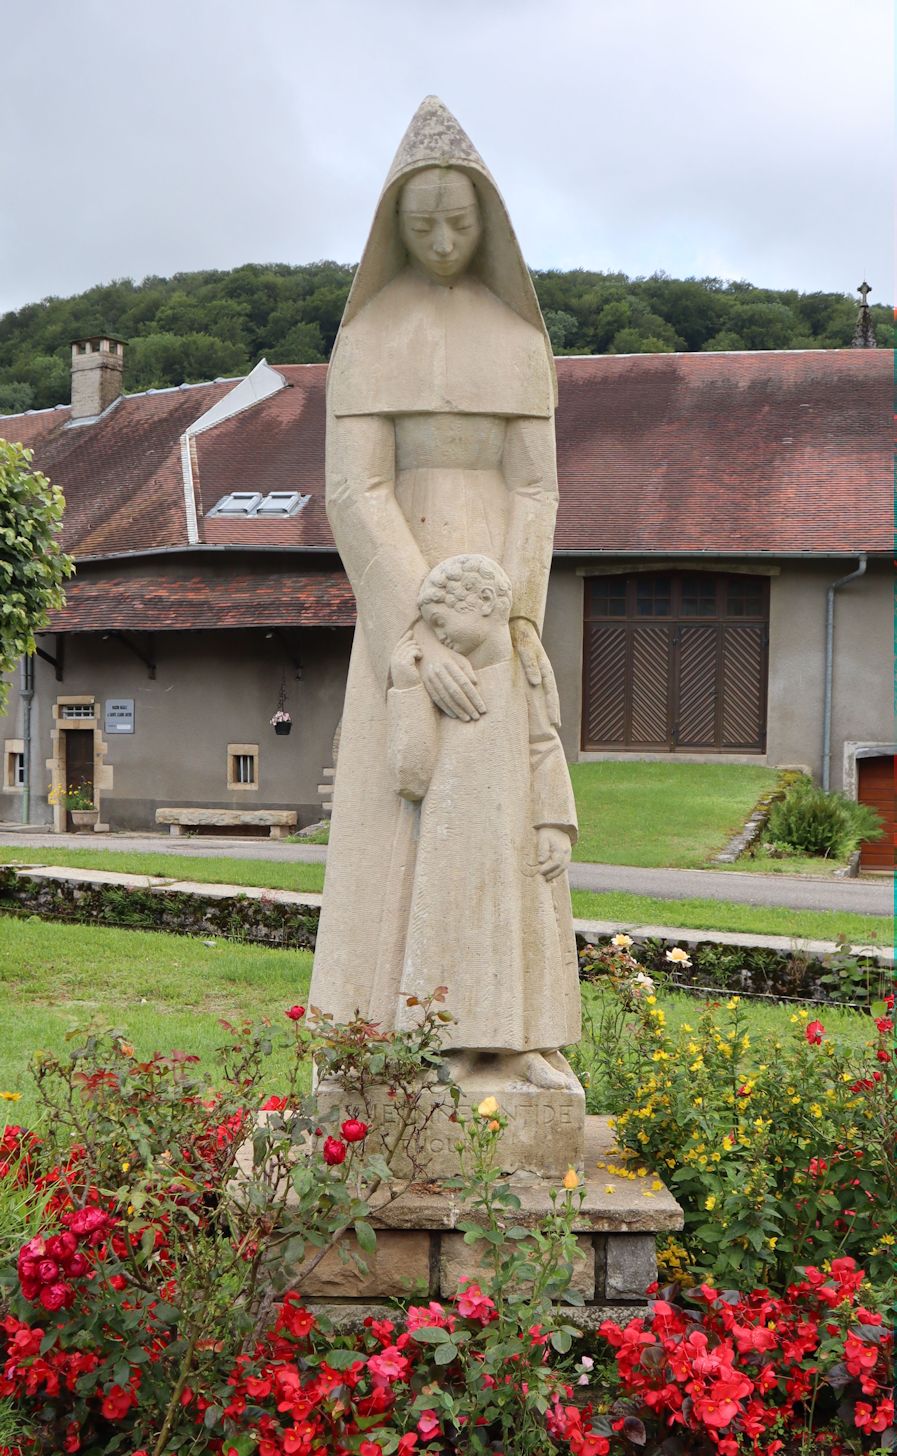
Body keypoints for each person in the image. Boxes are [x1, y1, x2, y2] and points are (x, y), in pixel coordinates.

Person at [309, 97, 581, 1078]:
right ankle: (380, 1041)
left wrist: (502, 620)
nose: (440, 240)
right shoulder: (371, 334)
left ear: (489, 224)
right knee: (409, 811)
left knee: (503, 825)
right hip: (408, 607)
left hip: (499, 612)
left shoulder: (516, 339)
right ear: (393, 226)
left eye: (459, 223)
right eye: (420, 224)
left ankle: (514, 1034)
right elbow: (356, 488)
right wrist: (418, 639)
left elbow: (535, 485)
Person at [385, 553, 579, 1084]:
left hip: (515, 830)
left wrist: (555, 823)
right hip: (450, 833)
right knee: (449, 931)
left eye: (444, 623)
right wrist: (406, 686)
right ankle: (451, 1044)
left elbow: (546, 746)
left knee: (523, 930)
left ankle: (526, 1048)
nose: (438, 637)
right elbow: (411, 777)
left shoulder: (527, 672)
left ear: (490, 605)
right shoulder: (435, 681)